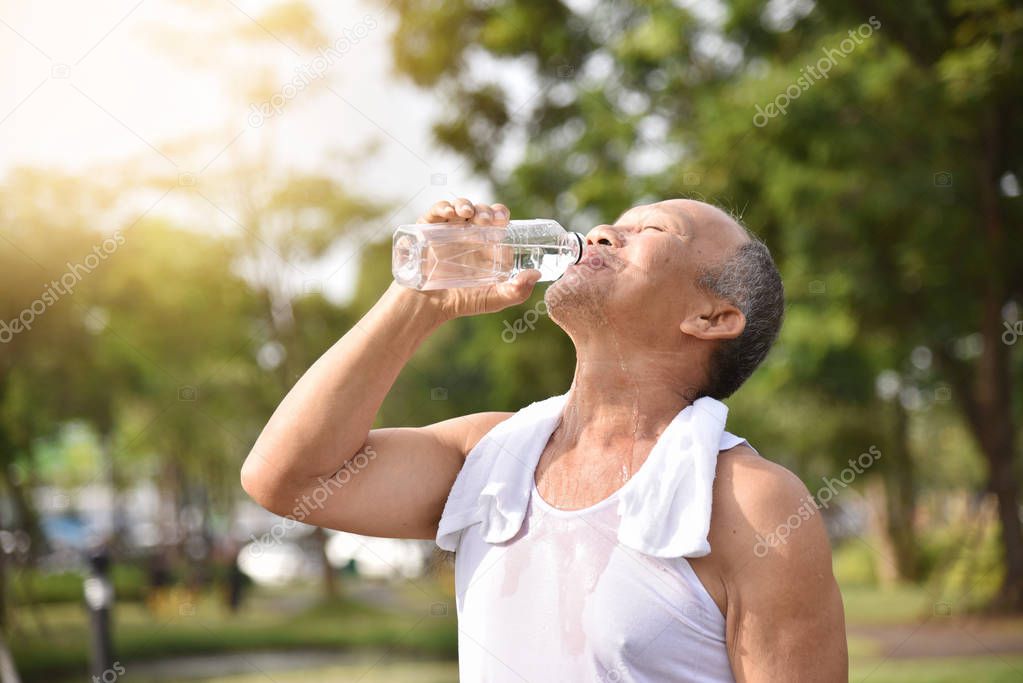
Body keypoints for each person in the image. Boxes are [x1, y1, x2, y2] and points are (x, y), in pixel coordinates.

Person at [241, 197, 848, 682]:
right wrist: (416, 301)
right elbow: (287, 478)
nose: (607, 229)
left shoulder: (752, 505)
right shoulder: (490, 455)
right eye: (619, 221)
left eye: (654, 229)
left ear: (711, 317)